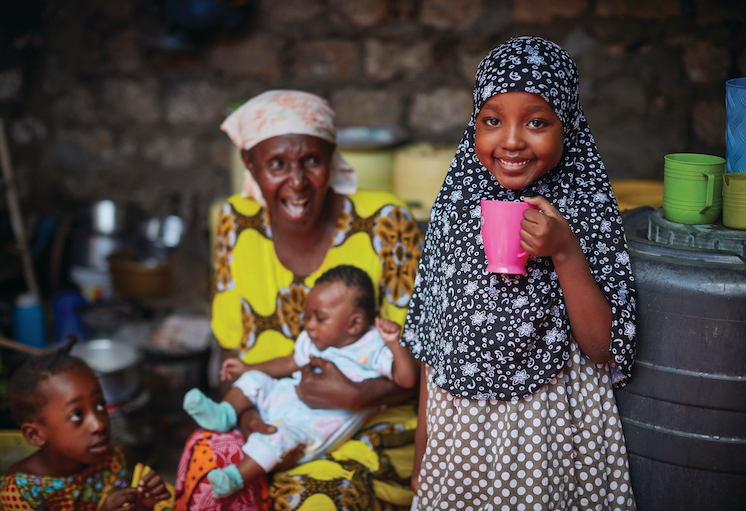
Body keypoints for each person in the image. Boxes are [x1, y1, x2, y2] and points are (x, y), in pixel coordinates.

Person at [401, 36, 638, 510]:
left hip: (547, 429)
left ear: (566, 124)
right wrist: (423, 445)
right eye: (492, 120)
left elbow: (603, 347)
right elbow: (435, 338)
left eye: (535, 122)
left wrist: (565, 250)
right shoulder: (456, 207)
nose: (510, 140)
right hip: (461, 431)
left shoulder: (585, 205)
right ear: (475, 124)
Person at [174, 90, 423, 511]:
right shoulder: (236, 222)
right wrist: (250, 419)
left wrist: (359, 396)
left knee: (311, 500)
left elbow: (426, 362)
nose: (296, 182)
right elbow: (231, 346)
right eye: (276, 164)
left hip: (368, 424)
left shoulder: (385, 221)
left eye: (311, 160)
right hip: (267, 414)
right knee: (201, 477)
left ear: (332, 158)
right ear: (250, 165)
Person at [182, 265, 419, 499]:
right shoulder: (313, 341)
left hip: (309, 426)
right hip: (285, 398)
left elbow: (407, 380)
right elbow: (287, 363)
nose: (309, 325)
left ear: (354, 324)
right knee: (255, 381)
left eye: (320, 318)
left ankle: (234, 477)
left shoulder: (372, 347)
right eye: (308, 316)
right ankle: (224, 414)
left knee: (277, 438)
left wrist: (394, 344)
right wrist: (248, 368)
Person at [0, 339, 173, 511]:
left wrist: (143, 505)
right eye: (77, 415)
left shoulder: (110, 461)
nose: (99, 425)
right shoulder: (21, 492)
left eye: (100, 405)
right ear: (35, 435)